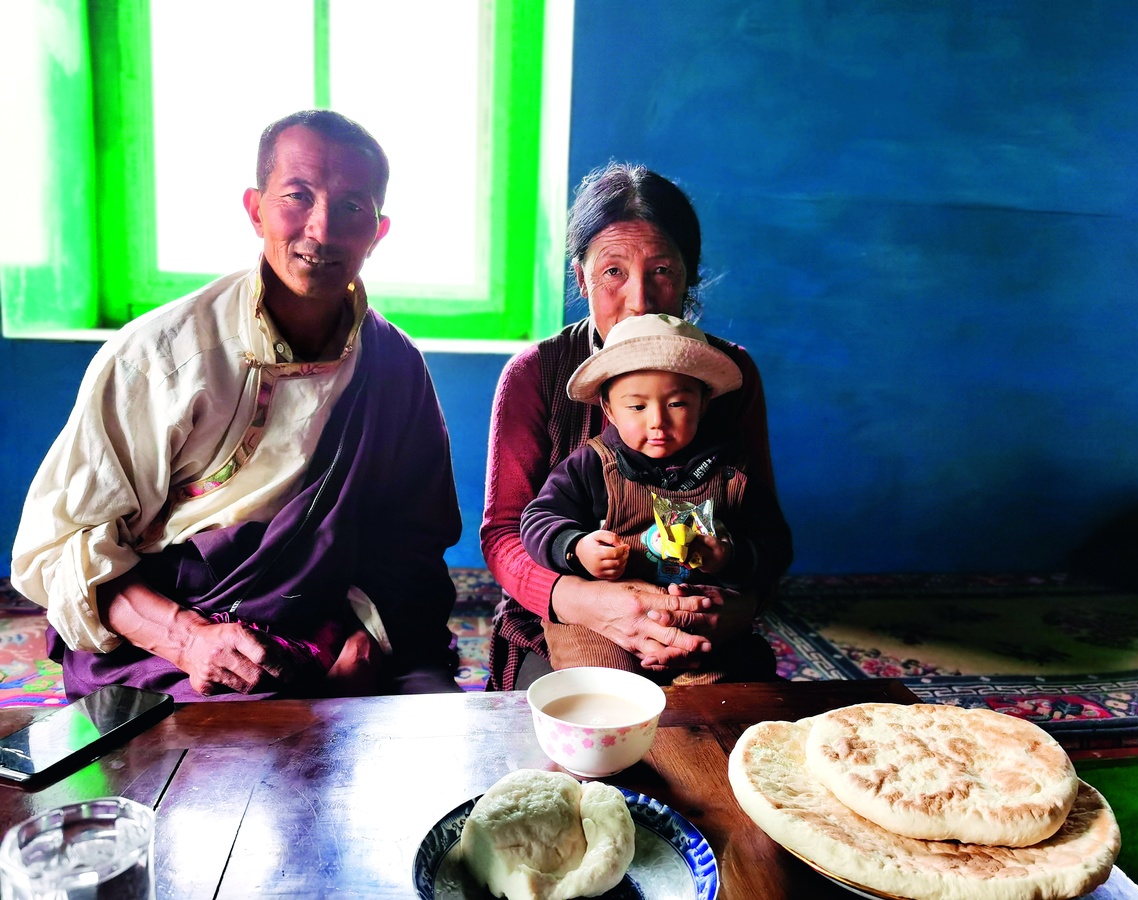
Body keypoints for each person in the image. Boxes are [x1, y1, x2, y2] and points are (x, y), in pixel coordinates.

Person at [10, 109, 463, 701]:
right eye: (297, 196)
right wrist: (187, 639)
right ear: (255, 209)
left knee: (432, 724)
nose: (322, 230)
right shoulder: (159, 357)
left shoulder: (394, 365)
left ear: (377, 232)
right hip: (177, 623)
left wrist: (367, 635)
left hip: (335, 616)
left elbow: (414, 536)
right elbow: (54, 548)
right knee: (219, 751)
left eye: (353, 207)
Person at [481, 162, 793, 690]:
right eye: (613, 272)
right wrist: (586, 598)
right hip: (571, 616)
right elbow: (505, 533)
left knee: (737, 732)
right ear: (580, 276)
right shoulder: (534, 374)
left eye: (662, 272)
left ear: (688, 276)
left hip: (699, 611)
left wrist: (732, 607)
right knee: (576, 724)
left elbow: (764, 526)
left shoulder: (730, 374)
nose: (639, 301)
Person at [520, 313, 790, 684]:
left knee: (727, 693)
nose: (657, 421)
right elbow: (539, 518)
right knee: (603, 684)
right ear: (609, 408)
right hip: (600, 623)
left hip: (696, 617)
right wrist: (577, 547)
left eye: (677, 404)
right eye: (637, 407)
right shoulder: (590, 465)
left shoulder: (731, 471)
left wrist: (729, 556)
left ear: (703, 402)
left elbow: (776, 544)